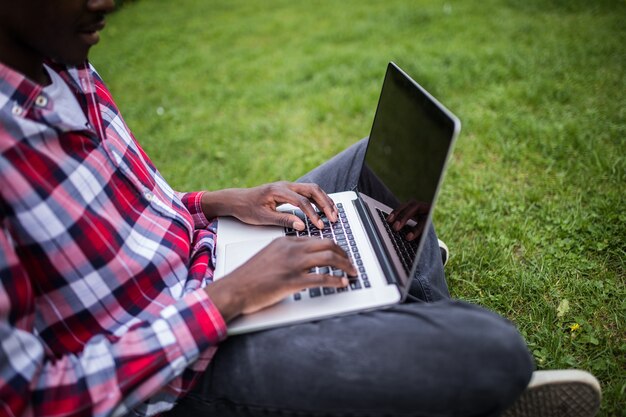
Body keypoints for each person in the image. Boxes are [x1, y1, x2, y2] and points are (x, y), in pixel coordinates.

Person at [0, 1, 601, 417]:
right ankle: (411, 341)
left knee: (374, 163)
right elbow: (29, 401)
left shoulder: (66, 63)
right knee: (493, 348)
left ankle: (390, 318)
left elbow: (124, 218)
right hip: (179, 372)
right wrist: (231, 297)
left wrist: (216, 202)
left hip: (206, 258)